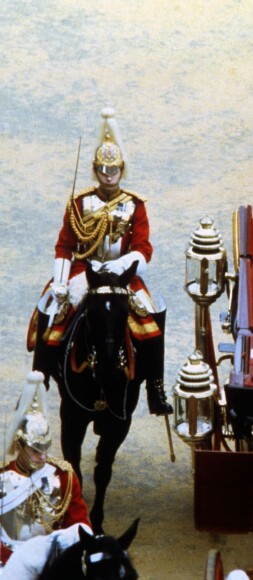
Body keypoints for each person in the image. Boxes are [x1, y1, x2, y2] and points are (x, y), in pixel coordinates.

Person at [27, 108, 172, 416]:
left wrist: (122, 267)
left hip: (123, 274)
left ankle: (154, 388)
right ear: (95, 170)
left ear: (122, 170)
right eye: (103, 170)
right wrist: (62, 282)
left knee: (151, 318)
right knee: (51, 312)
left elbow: (143, 247)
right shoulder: (79, 203)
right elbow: (66, 245)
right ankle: (38, 380)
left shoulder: (135, 206)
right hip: (85, 270)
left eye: (114, 170)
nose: (109, 176)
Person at [0, 371, 92, 577]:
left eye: (46, 449)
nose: (43, 457)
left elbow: (80, 525)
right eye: (35, 450)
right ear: (19, 444)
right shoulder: (2, 475)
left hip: (51, 559)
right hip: (7, 560)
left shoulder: (64, 476)